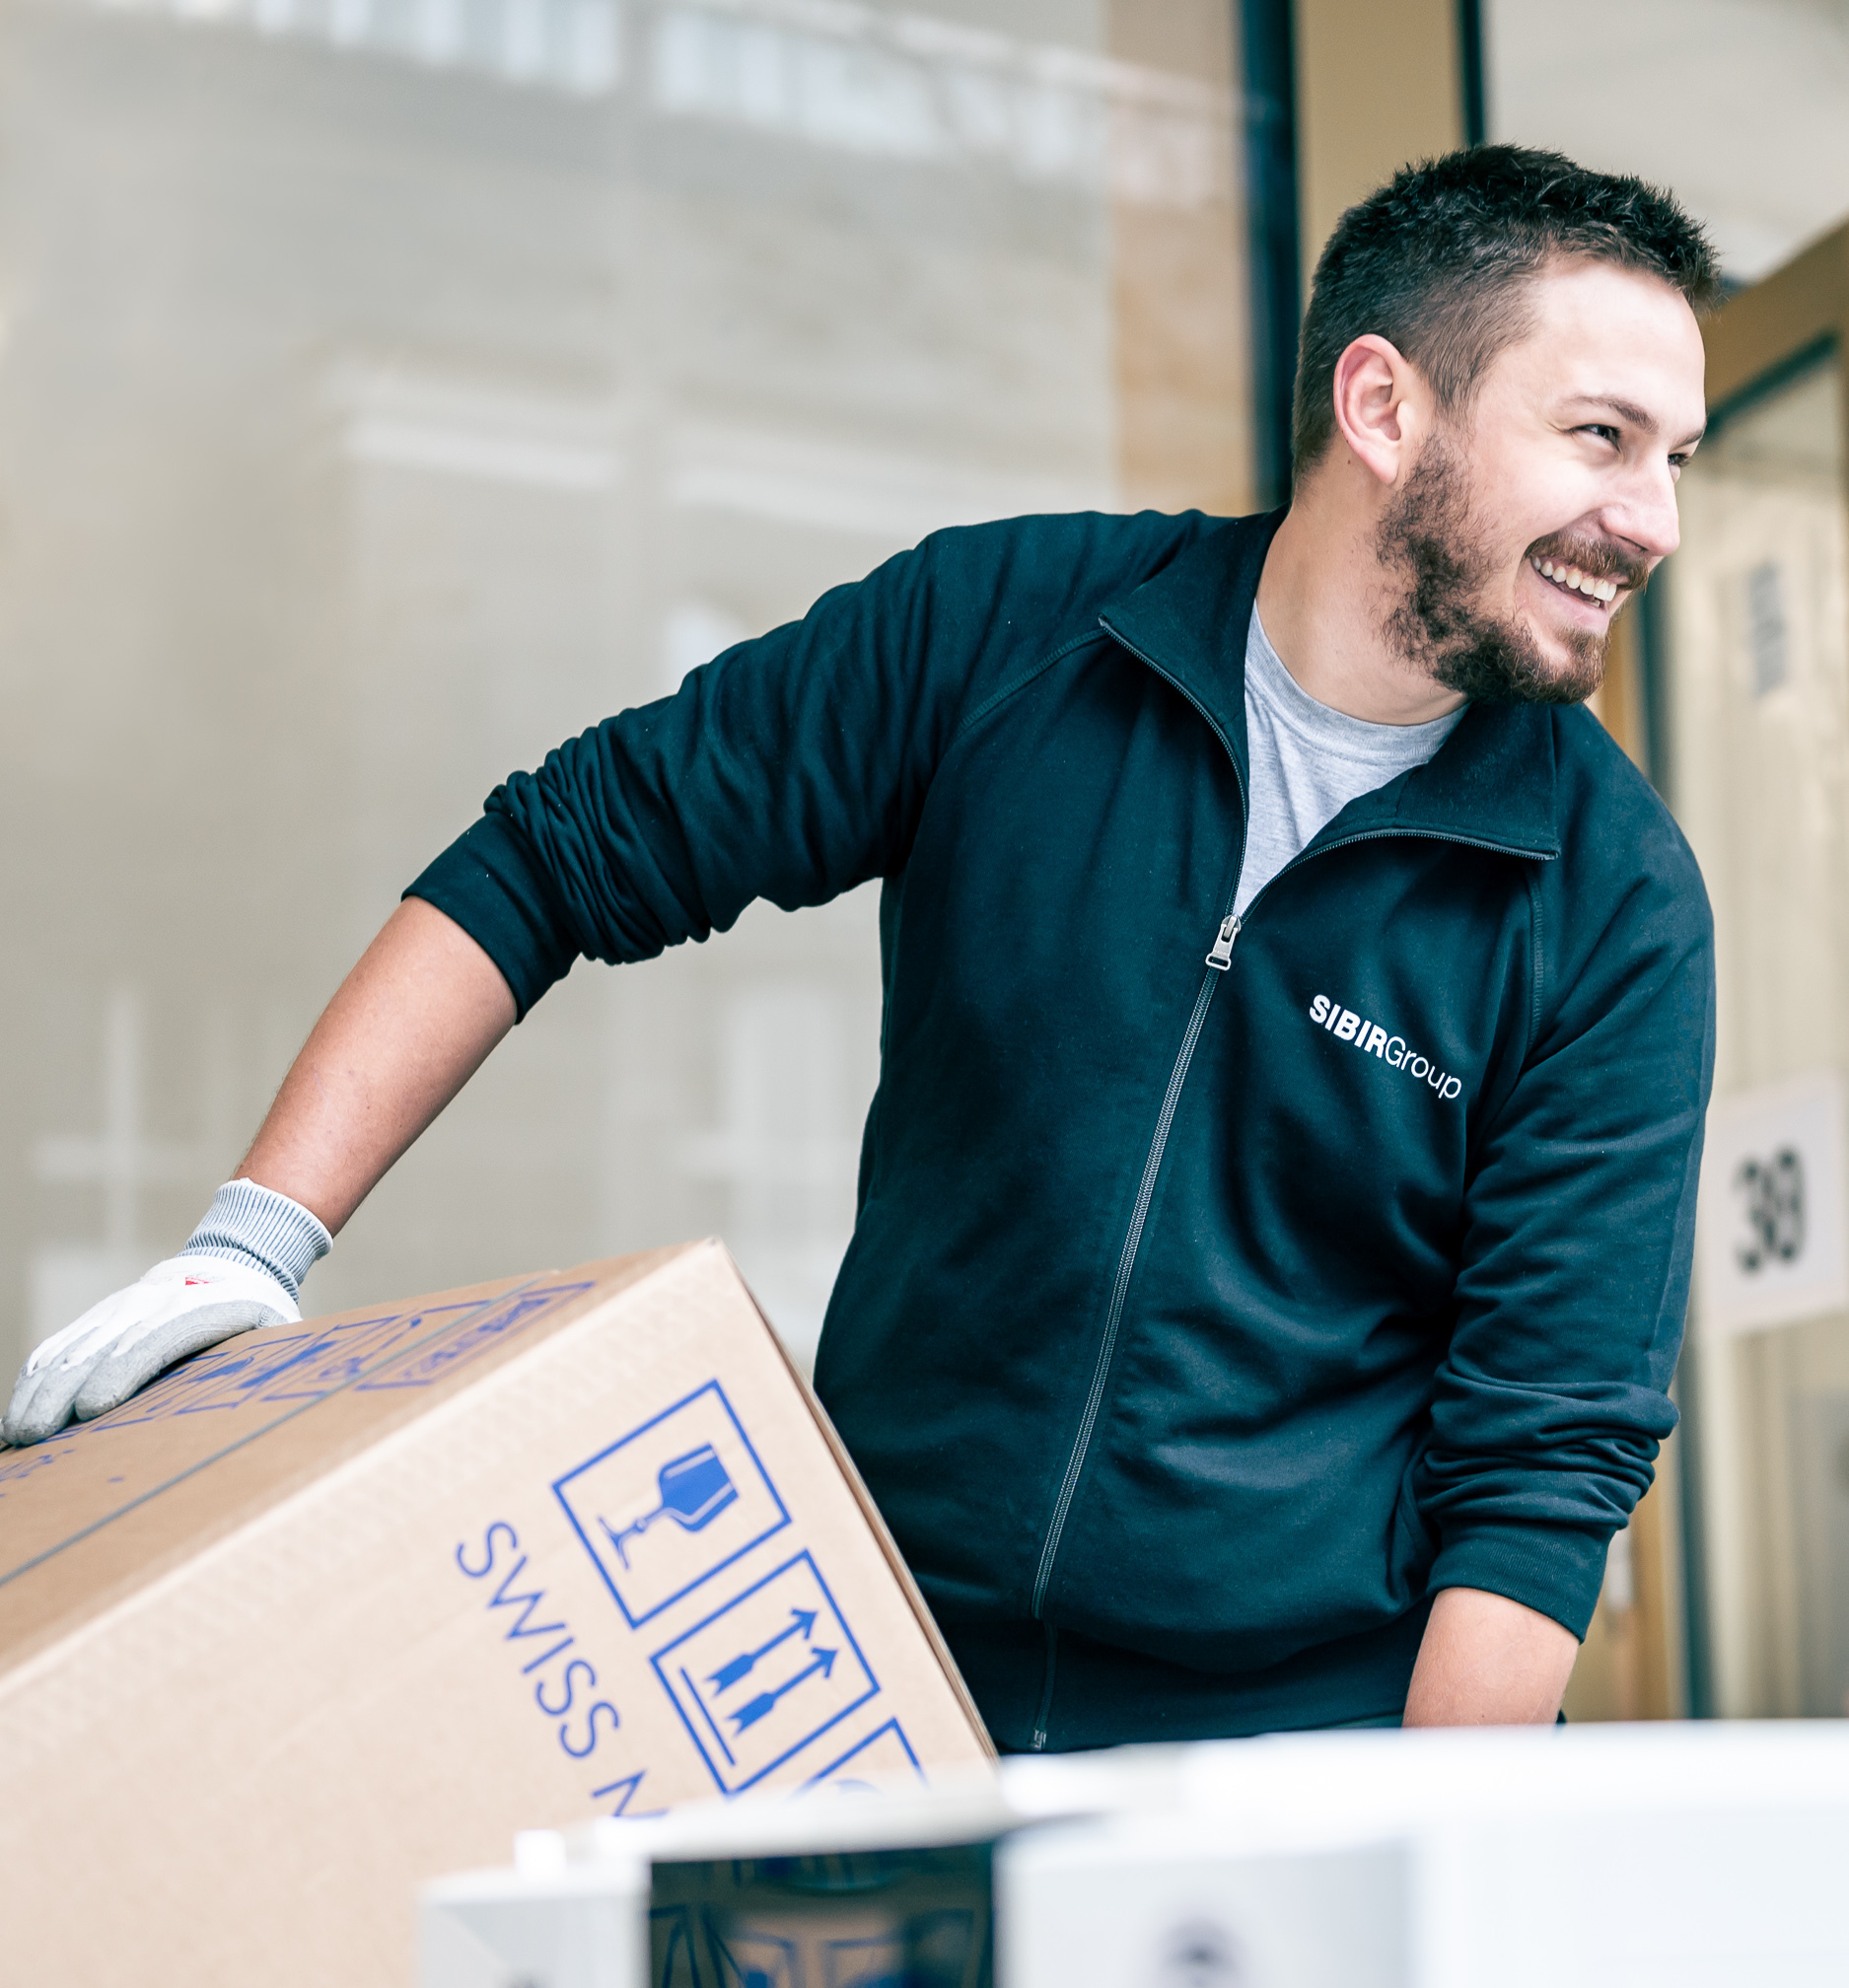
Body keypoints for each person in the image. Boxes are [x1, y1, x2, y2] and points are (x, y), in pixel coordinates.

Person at [5, 146, 1719, 1746]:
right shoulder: (1008, 635)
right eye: (1599, 436)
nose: (1650, 518)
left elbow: (1542, 1470)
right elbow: (558, 854)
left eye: (1675, 460)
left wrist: (1403, 1887)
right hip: (870, 1681)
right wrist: (250, 1245)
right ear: (1383, 405)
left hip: (1286, 1743)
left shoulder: (1612, 899)